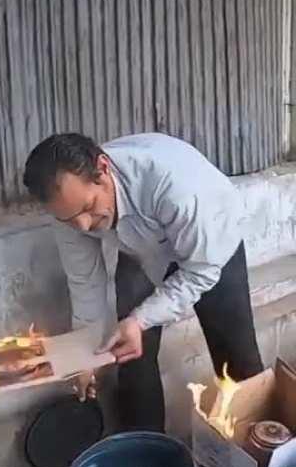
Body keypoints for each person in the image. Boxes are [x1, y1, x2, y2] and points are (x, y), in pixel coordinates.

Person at [23, 132, 263, 432]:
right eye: (70, 219)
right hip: (142, 250)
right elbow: (85, 283)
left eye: (87, 208)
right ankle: (147, 456)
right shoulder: (68, 211)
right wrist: (81, 356)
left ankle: (259, 453)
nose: (83, 226)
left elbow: (200, 272)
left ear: (103, 169)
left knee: (237, 357)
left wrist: (141, 318)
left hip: (210, 248)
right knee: (130, 353)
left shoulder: (178, 188)